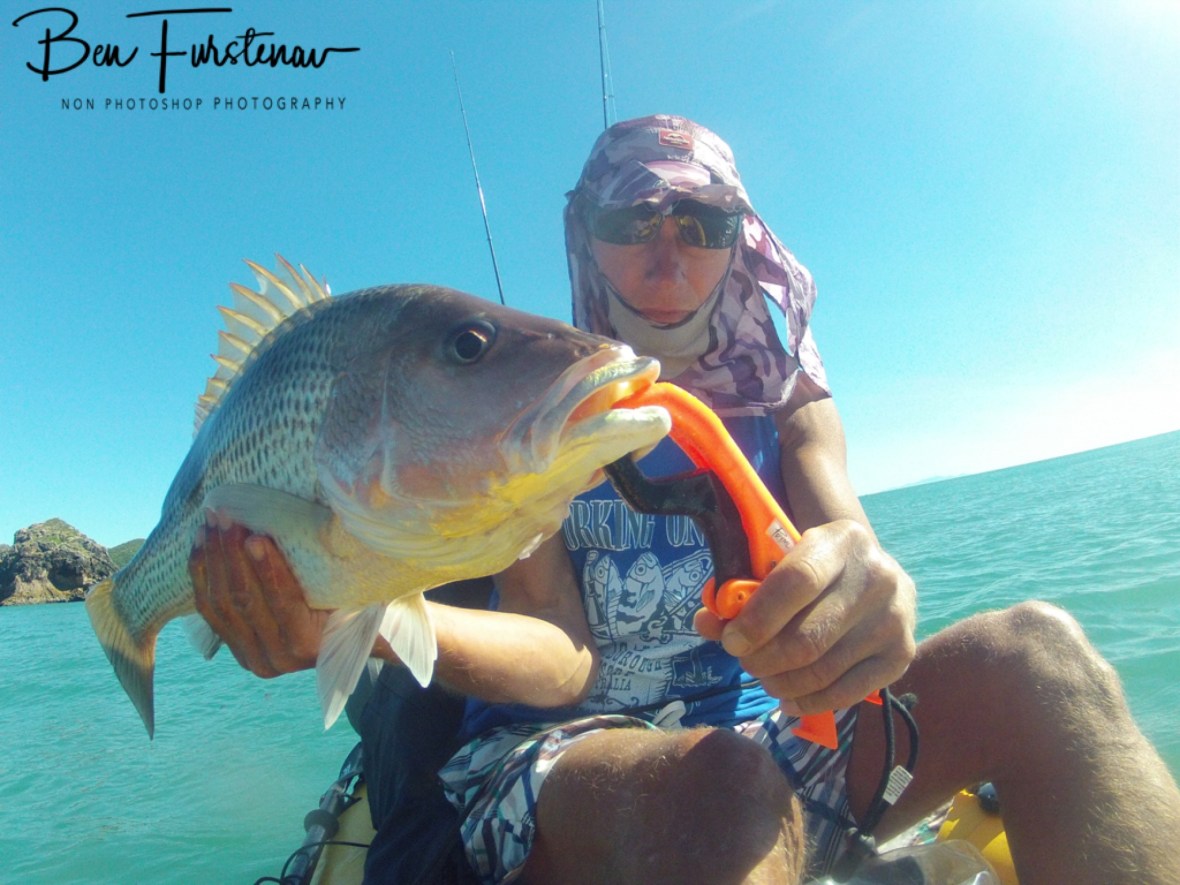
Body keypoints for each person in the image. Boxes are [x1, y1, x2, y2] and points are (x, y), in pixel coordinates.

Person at [191, 115, 1180, 884]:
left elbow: (848, 541)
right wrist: (379, 619)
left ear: (736, 239)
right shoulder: (524, 411)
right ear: (587, 235)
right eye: (631, 225)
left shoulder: (792, 399)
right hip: (566, 763)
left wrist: (868, 604)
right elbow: (560, 658)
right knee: (723, 788)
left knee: (1041, 657)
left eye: (700, 226)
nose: (666, 260)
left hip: (771, 740)